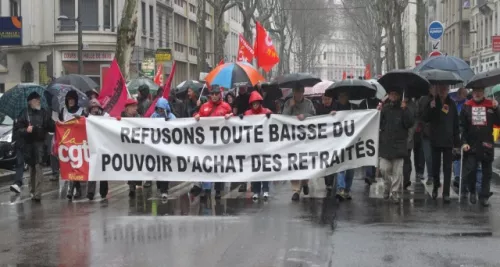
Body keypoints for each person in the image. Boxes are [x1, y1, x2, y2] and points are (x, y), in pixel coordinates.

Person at [191, 85, 233, 199]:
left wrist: (231, 116)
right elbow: (196, 117)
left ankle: (218, 190)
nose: (214, 96)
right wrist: (196, 115)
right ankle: (206, 188)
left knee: (219, 165)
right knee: (206, 164)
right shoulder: (204, 106)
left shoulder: (226, 106)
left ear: (219, 95)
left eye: (216, 94)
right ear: (210, 95)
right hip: (207, 142)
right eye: (212, 94)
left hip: (220, 142)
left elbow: (233, 121)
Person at [460, 88, 500, 207]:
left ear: (484, 92)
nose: (477, 94)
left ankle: (484, 196)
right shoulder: (467, 106)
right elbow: (462, 126)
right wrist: (464, 142)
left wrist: (497, 108)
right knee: (471, 170)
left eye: (480, 91)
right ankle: (472, 191)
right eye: (475, 91)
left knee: (487, 172)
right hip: (471, 144)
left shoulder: (490, 105)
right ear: (472, 93)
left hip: (487, 143)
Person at [11, 92, 54, 201]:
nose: (39, 101)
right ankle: (32, 190)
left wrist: (49, 123)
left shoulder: (44, 112)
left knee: (39, 167)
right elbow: (17, 130)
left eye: (39, 99)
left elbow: (52, 127)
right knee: (32, 168)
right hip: (28, 145)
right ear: (30, 102)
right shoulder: (24, 113)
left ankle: (38, 193)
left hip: (40, 144)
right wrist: (26, 130)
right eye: (36, 99)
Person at [423, 84, 460, 203]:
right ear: (437, 90)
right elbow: (425, 118)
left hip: (448, 140)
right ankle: (435, 186)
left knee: (448, 168)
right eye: (441, 89)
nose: (443, 91)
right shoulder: (432, 102)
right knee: (435, 166)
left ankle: (446, 193)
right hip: (435, 139)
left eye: (445, 89)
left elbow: (455, 124)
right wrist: (431, 107)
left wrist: (457, 142)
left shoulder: (452, 104)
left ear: (448, 90)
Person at [378, 90, 414, 204]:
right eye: (391, 94)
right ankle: (387, 186)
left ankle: (394, 192)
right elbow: (378, 123)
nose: (393, 96)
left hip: (399, 145)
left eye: (395, 94)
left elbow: (410, 123)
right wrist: (377, 112)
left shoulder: (404, 109)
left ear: (399, 96)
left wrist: (405, 110)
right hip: (386, 145)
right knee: (384, 169)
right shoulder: (385, 109)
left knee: (397, 172)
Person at [282, 86, 316, 201]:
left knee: (305, 162)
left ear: (303, 93)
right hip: (293, 138)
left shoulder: (309, 103)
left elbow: (314, 116)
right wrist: (290, 107)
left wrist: (304, 116)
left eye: (299, 92)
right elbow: (283, 117)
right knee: (294, 163)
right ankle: (296, 190)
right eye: (296, 92)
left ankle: (305, 182)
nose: (297, 94)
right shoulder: (288, 103)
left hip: (306, 138)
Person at [243, 91, 272, 200]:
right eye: (253, 103)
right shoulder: (247, 114)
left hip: (264, 145)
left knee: (264, 167)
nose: (255, 105)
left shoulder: (267, 112)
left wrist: (270, 116)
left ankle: (265, 190)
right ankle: (256, 191)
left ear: (260, 103)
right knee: (255, 169)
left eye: (257, 103)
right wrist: (240, 118)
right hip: (253, 146)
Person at [58, 90, 85, 200]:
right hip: (65, 142)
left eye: (73, 100)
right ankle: (74, 188)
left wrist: (79, 120)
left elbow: (84, 123)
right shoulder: (63, 111)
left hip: (76, 142)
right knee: (69, 166)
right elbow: (59, 123)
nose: (71, 102)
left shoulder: (80, 111)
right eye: (69, 100)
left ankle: (72, 188)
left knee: (75, 166)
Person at [332, 91, 357, 200]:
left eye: (344, 96)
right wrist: (331, 114)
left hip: (351, 141)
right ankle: (341, 188)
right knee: (340, 166)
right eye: (340, 96)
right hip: (339, 141)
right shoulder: (335, 107)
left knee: (350, 168)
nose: (342, 98)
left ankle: (347, 189)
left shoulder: (353, 107)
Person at [151, 97, 176, 201]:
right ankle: (160, 186)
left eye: (162, 109)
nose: (160, 111)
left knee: (165, 168)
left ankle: (164, 190)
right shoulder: (154, 116)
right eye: (159, 109)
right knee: (158, 168)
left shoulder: (171, 117)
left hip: (167, 147)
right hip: (157, 147)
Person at [85, 99, 109, 200]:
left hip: (103, 145)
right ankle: (90, 192)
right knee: (93, 168)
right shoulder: (87, 118)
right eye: (93, 108)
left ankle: (103, 191)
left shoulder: (105, 116)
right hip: (92, 146)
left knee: (103, 169)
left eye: (96, 107)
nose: (94, 110)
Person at [316, 93, 337, 195]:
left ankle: (330, 182)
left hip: (333, 139)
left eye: (328, 99)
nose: (326, 101)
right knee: (325, 161)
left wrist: (336, 114)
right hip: (323, 140)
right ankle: (327, 182)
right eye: (324, 99)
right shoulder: (319, 108)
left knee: (332, 161)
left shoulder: (336, 106)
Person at [121, 98, 142, 197]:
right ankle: (131, 186)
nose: (135, 108)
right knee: (129, 165)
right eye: (133, 107)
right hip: (126, 146)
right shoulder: (121, 118)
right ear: (127, 109)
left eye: (136, 106)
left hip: (136, 146)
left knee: (136, 165)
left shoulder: (139, 118)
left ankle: (135, 183)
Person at [358, 94, 380, 186]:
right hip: (368, 131)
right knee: (369, 152)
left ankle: (372, 174)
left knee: (372, 153)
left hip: (375, 131)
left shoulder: (379, 102)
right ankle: (369, 174)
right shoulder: (364, 103)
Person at [417, 87, 435, 185]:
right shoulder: (423, 99)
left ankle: (433, 175)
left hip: (438, 133)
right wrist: (429, 108)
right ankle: (430, 176)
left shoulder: (443, 99)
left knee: (435, 156)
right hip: (426, 132)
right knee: (428, 156)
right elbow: (420, 115)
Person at [403, 97, 418, 190]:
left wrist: (410, 135)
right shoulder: (397, 103)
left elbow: (415, 122)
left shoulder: (413, 106)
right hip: (398, 137)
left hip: (408, 137)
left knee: (407, 158)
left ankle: (406, 180)